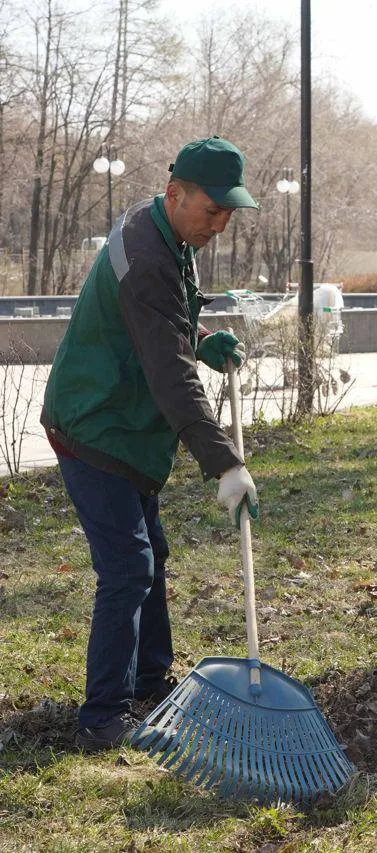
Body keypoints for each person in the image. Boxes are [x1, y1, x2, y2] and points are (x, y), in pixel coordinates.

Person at [41, 136, 262, 750]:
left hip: (123, 423)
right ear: (175, 194)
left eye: (228, 213)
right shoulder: (147, 260)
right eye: (212, 211)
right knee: (127, 566)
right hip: (94, 423)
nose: (219, 225)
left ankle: (150, 683)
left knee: (150, 555)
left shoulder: (162, 229)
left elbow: (162, 329)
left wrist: (200, 337)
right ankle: (102, 717)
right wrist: (224, 463)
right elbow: (168, 373)